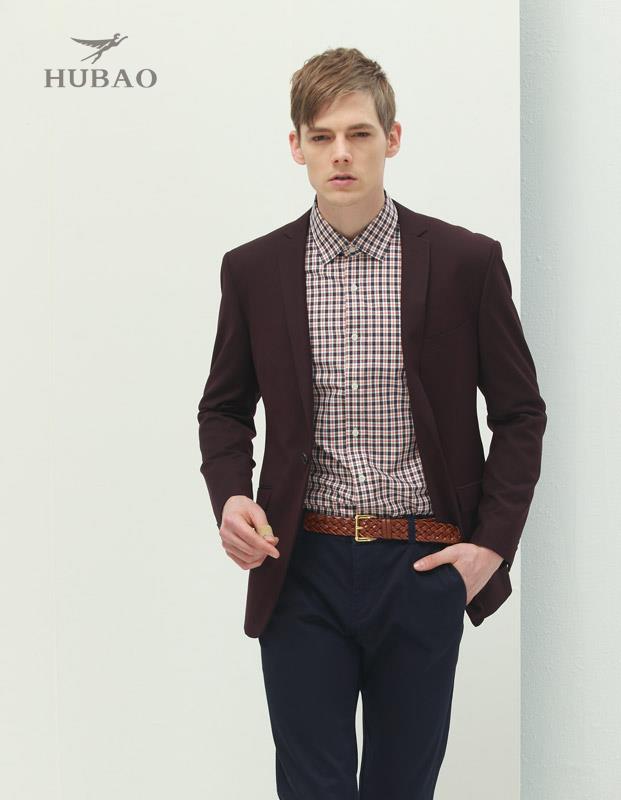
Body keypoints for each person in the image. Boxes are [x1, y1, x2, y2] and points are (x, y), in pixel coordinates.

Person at [197, 46, 547, 800]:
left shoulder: (465, 261)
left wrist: (490, 546)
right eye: (321, 137)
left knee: (401, 789)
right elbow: (224, 407)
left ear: (393, 138)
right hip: (300, 564)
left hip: (422, 564)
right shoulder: (253, 270)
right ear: (296, 146)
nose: (341, 153)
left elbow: (520, 413)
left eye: (359, 133)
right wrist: (230, 496)